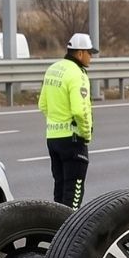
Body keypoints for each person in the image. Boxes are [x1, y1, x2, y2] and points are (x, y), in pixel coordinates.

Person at [40, 32, 96, 206]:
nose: (91, 57)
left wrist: (56, 122)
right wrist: (86, 134)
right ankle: (69, 231)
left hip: (53, 139)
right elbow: (80, 110)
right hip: (73, 141)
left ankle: (55, 229)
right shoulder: (78, 75)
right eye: (90, 53)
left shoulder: (53, 69)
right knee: (73, 193)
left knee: (59, 189)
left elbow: (42, 104)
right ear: (80, 53)